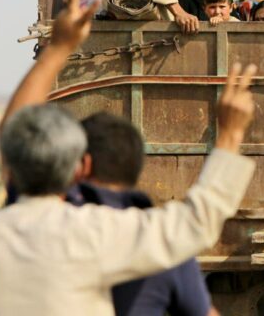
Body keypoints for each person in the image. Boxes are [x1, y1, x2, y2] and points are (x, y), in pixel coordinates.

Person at [0, 0, 257, 316]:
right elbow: (197, 222)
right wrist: (230, 134)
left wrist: (58, 48)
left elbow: (12, 131)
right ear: (78, 168)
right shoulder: (92, 234)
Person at [78, 113, 218, 316]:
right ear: (136, 167)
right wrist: (232, 136)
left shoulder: (48, 230)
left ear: (83, 165)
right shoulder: (163, 241)